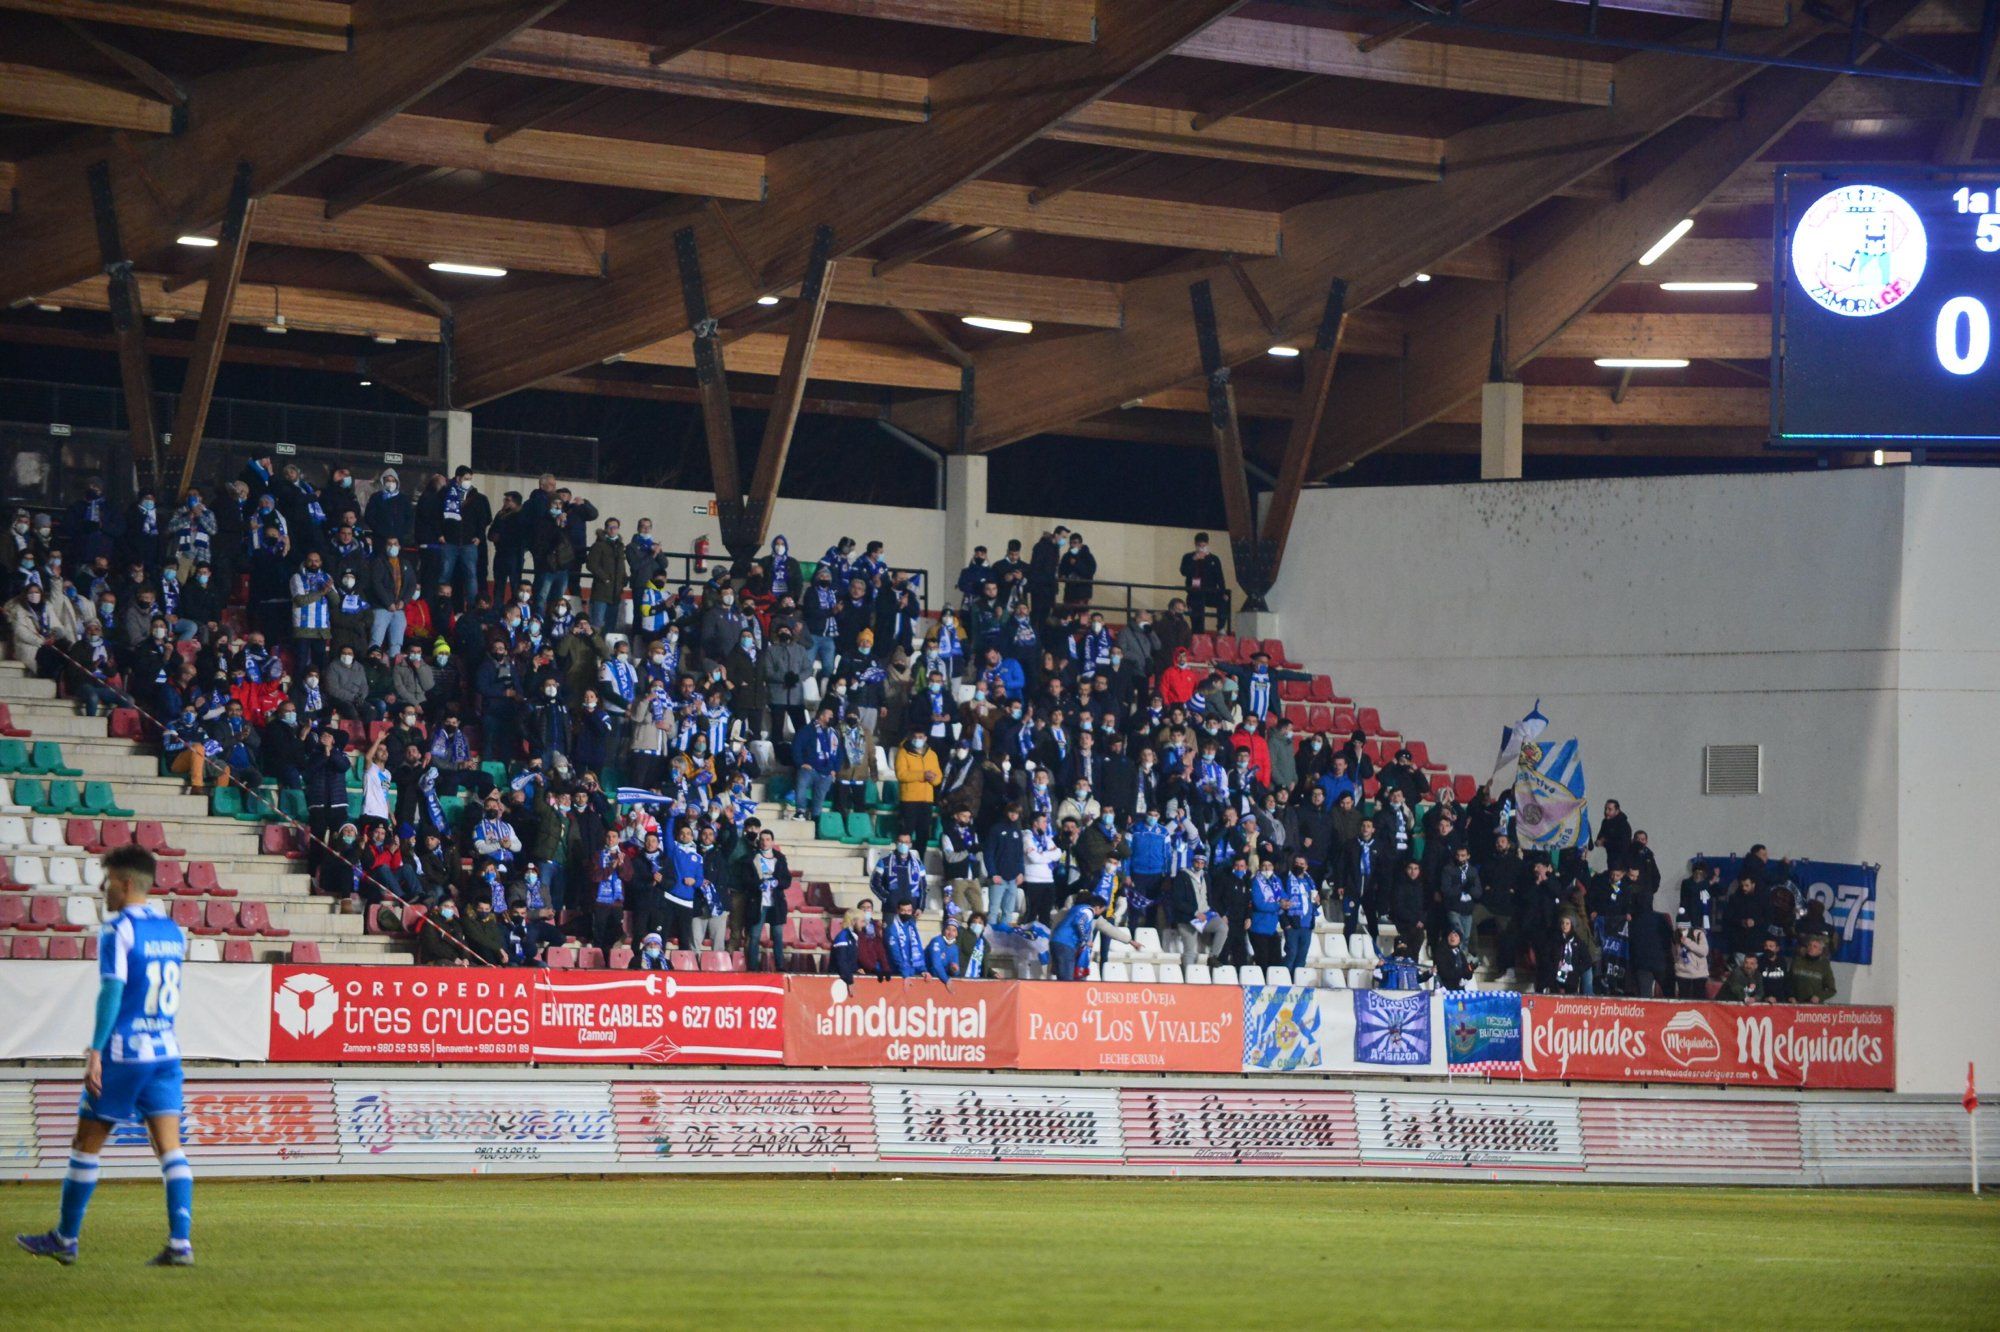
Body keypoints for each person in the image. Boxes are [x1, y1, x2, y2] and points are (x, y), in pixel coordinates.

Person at [17, 846, 195, 1267]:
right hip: (165, 1049)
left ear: (126, 883)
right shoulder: (172, 930)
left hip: (125, 1052)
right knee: (169, 1148)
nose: (102, 888)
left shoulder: (118, 930)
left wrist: (96, 1051)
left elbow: (112, 989)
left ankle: (65, 1238)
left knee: (86, 1143)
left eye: (108, 879)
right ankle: (180, 1243)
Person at [892, 731, 942, 849]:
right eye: (915, 737)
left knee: (923, 835)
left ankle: (920, 862)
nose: (917, 739)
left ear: (925, 738)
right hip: (909, 800)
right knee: (905, 833)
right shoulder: (903, 753)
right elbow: (901, 774)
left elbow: (939, 776)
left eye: (920, 737)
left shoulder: (932, 755)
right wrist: (922, 776)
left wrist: (933, 779)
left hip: (926, 801)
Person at [1179, 532, 1229, 634]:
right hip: (1195, 592)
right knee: (1197, 613)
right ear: (1195, 545)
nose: (1201, 548)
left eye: (1204, 546)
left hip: (1211, 592)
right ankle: (1198, 632)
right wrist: (1194, 559)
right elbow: (1184, 572)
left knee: (1224, 601)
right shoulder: (1188, 557)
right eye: (1199, 546)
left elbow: (1220, 577)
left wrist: (1223, 592)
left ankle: (1220, 628)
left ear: (1207, 545)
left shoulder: (1214, 559)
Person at [1790, 932, 1837, 1004]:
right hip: (1794, 1004)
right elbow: (1788, 981)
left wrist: (1819, 996)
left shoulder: (1824, 965)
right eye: (1810, 945)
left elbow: (1831, 989)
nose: (1811, 948)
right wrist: (1790, 996)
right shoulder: (1797, 961)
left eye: (1815, 947)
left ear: (1820, 951)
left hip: (1813, 1008)